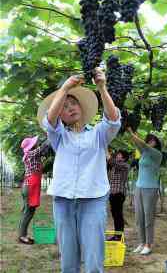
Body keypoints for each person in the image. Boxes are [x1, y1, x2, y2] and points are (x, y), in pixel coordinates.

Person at [37, 69, 121, 273]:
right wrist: (65, 88)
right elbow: (49, 121)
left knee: (93, 260)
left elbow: (113, 119)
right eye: (64, 107)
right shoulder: (59, 137)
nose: (70, 108)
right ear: (61, 116)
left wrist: (102, 87)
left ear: (81, 107)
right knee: (68, 260)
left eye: (73, 103)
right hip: (63, 201)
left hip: (93, 200)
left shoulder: (98, 135)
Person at [127, 127, 162, 255]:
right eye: (148, 140)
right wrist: (132, 134)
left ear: (156, 143)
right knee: (139, 217)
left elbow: (142, 145)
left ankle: (148, 244)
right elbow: (138, 144)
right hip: (139, 187)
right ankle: (141, 243)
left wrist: (133, 134)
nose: (149, 142)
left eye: (152, 140)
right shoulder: (144, 153)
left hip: (150, 188)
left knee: (148, 217)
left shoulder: (157, 154)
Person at [18, 136, 50, 244]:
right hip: (30, 185)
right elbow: (45, 146)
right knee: (29, 212)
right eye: (34, 143)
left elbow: (43, 151)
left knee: (26, 211)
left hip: (28, 185)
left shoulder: (29, 155)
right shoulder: (31, 154)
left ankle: (22, 234)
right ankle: (22, 236)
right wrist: (51, 133)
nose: (36, 144)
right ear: (31, 147)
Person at [107, 149, 129, 240]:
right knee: (114, 214)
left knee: (118, 215)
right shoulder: (114, 166)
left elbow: (113, 163)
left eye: (119, 155)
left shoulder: (125, 165)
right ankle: (117, 235)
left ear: (124, 158)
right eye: (118, 154)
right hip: (112, 193)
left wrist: (108, 154)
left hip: (119, 193)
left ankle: (119, 235)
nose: (117, 155)